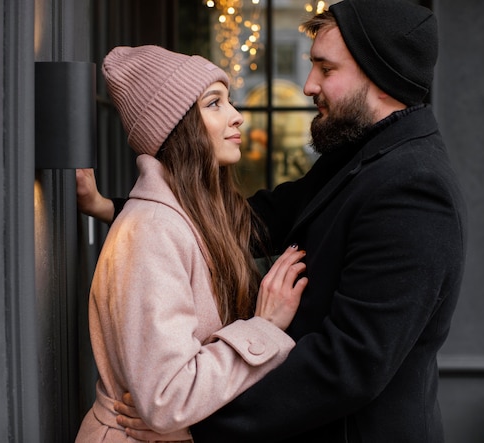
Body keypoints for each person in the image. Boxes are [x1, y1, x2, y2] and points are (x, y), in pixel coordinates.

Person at [77, 1, 468, 442]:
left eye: (325, 68)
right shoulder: (360, 157)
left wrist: (199, 425)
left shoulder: (413, 188)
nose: (307, 85)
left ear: (380, 77)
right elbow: (257, 219)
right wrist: (120, 207)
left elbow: (349, 365)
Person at [75, 45, 309, 442]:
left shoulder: (197, 220)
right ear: (176, 127)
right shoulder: (153, 230)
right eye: (214, 103)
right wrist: (265, 328)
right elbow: (168, 398)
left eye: (229, 100)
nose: (237, 115)